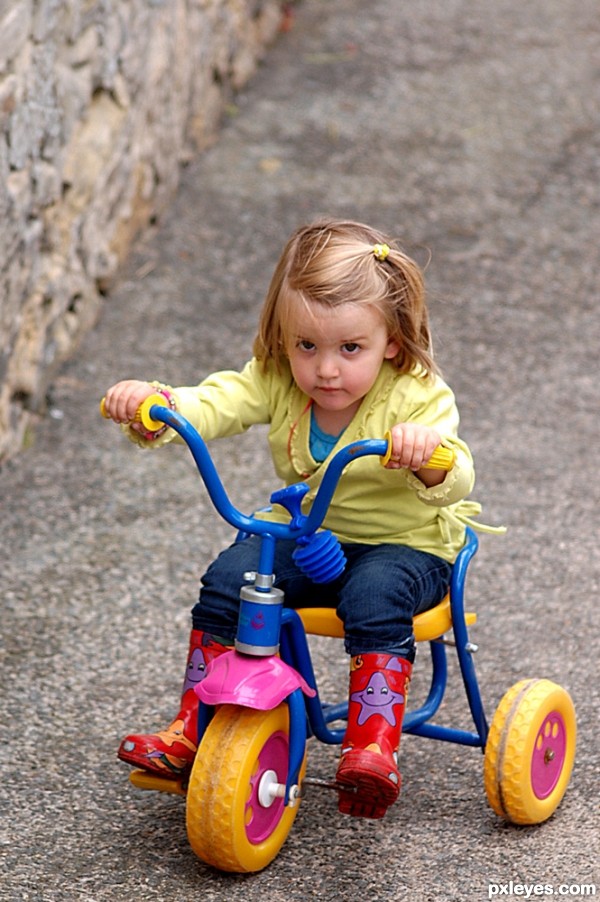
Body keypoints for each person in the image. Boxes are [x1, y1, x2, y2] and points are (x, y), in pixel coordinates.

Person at [102, 218, 489, 820]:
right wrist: (161, 406)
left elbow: (459, 469)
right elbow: (219, 400)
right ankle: (190, 726)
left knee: (375, 594)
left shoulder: (417, 395)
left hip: (407, 544)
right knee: (231, 578)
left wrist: (428, 456)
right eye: (306, 345)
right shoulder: (279, 378)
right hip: (310, 534)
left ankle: (371, 748)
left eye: (349, 349)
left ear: (391, 339)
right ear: (284, 337)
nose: (325, 369)